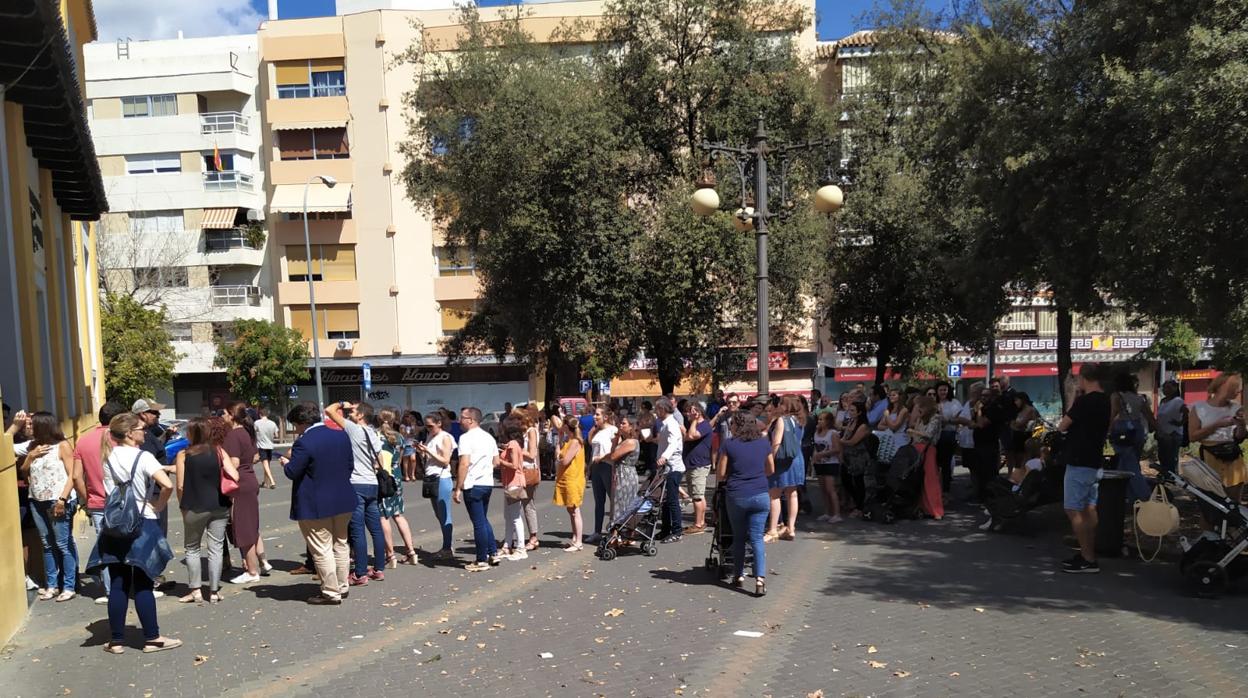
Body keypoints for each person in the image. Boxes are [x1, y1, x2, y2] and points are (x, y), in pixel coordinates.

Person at [90, 413, 181, 654]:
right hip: (142, 521)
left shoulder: (108, 456)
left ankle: (116, 641)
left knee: (118, 583)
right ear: (130, 433)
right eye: (141, 428)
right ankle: (152, 638)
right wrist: (158, 506)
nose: (145, 432)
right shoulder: (144, 457)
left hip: (115, 524)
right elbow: (167, 485)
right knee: (143, 583)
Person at [282, 402, 356, 604]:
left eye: (295, 425)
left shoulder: (304, 442)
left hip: (315, 502)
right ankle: (342, 585)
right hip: (343, 498)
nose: (296, 429)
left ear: (302, 422)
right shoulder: (341, 435)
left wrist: (286, 463)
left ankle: (331, 592)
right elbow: (350, 466)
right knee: (341, 544)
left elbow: (293, 472)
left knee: (322, 548)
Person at [326, 401, 387, 584]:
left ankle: (360, 573)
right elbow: (379, 458)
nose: (349, 412)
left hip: (356, 484)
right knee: (376, 529)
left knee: (357, 530)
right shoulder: (373, 433)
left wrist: (342, 404)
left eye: (353, 411)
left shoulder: (354, 429)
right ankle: (379, 568)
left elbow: (329, 411)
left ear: (361, 415)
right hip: (372, 483)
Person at [174, 417, 234, 604]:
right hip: (219, 505)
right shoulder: (219, 451)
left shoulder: (184, 455)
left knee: (192, 548)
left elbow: (181, 485)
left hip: (194, 506)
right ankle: (214, 592)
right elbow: (234, 474)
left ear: (191, 433)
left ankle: (196, 591)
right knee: (216, 548)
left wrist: (182, 506)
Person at [1058, 364, 1111, 574]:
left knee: (1073, 508)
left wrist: (1075, 396)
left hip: (1079, 459)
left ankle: (1087, 557)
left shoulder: (1084, 401)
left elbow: (1063, 425)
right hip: (1094, 459)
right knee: (1089, 508)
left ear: (1083, 378)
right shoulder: (1105, 400)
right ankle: (1088, 552)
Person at [716, 410, 775, 597]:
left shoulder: (729, 444)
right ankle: (760, 580)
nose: (731, 427)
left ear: (738, 425)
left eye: (733, 424)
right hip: (760, 494)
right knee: (757, 538)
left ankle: (738, 575)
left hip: (737, 495)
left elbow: (720, 474)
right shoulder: (764, 443)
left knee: (739, 537)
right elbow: (771, 469)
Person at [73, 401, 126, 604]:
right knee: (127, 543)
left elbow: (77, 476)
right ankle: (127, 585)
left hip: (97, 503)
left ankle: (111, 591)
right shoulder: (122, 439)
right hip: (122, 501)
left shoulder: (83, 441)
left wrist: (87, 499)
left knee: (105, 547)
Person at [22, 411, 79, 602]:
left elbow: (72, 475)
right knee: (46, 544)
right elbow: (24, 472)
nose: (28, 428)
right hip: (36, 500)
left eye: (32, 424)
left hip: (57, 500)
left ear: (43, 426)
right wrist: (30, 457)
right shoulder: (33, 446)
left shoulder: (62, 446)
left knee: (62, 543)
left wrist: (62, 499)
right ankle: (52, 585)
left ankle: (69, 585)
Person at [223, 402, 269, 584]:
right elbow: (256, 456)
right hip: (250, 479)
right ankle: (261, 563)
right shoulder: (247, 432)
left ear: (232, 415)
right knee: (251, 525)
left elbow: (233, 463)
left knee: (243, 528)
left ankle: (251, 571)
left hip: (240, 484)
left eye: (224, 414)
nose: (222, 417)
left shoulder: (233, 435)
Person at [1188, 373, 1245, 509]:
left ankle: (1232, 523)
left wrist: (1241, 425)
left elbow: (1239, 437)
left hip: (1232, 456)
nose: (1239, 391)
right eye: (1236, 387)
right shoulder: (1199, 408)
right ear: (1223, 386)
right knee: (1210, 504)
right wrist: (1218, 424)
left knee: (1233, 505)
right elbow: (1193, 436)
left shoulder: (1237, 408)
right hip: (1209, 457)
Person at [455, 407, 499, 570]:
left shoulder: (466, 438)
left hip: (472, 483)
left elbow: (464, 463)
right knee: (483, 519)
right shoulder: (489, 437)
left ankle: (481, 560)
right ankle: (493, 552)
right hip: (487, 482)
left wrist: (458, 487)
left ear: (471, 420)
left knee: (478, 522)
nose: (459, 420)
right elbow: (496, 461)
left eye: (462, 417)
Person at [377, 408, 418, 567]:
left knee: (383, 517)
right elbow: (400, 459)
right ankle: (411, 551)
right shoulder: (398, 437)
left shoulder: (376, 436)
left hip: (382, 477)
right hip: (396, 477)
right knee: (398, 514)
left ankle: (390, 555)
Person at [1109, 372, 1156, 502]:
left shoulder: (1116, 396)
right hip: (1138, 430)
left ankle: (1144, 493)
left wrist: (1107, 431)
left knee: (1129, 463)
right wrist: (1158, 429)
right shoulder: (1139, 398)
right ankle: (1127, 494)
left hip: (1122, 429)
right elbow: (1149, 415)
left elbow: (1113, 414)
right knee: (1129, 461)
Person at [415, 412, 456, 561]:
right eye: (426, 426)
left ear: (439, 423)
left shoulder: (445, 437)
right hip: (431, 477)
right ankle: (447, 545)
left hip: (442, 478)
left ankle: (447, 548)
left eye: (430, 426)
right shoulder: (431, 436)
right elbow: (430, 458)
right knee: (438, 514)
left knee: (444, 514)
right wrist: (422, 451)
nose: (428, 429)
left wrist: (428, 451)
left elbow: (445, 460)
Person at [765, 396, 805, 542]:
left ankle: (772, 529)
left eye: (780, 404)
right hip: (796, 458)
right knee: (792, 494)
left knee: (774, 494)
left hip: (782, 460)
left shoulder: (782, 420)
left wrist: (770, 461)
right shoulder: (800, 420)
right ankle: (791, 528)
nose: (778, 406)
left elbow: (776, 442)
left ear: (786, 406)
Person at [654, 398, 687, 544]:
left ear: (662, 409)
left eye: (657, 409)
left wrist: (664, 457)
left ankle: (677, 531)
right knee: (666, 501)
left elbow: (673, 443)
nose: (656, 412)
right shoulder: (665, 424)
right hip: (666, 468)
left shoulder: (672, 424)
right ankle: (666, 529)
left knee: (672, 500)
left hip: (673, 467)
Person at [553, 416, 587, 552]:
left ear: (567, 426)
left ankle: (579, 542)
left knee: (575, 509)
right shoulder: (568, 441)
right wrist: (559, 440)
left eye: (562, 424)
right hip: (565, 478)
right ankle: (575, 538)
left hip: (573, 479)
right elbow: (558, 455)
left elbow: (565, 460)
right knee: (570, 509)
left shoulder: (575, 442)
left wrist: (559, 459)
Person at [496, 421, 528, 560]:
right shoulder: (512, 444)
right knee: (508, 516)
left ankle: (521, 548)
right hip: (509, 483)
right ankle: (507, 545)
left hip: (515, 483)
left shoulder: (513, 444)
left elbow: (514, 465)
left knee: (515, 517)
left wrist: (500, 461)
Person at [908, 396, 944, 520]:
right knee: (918, 478)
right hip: (917, 447)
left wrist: (914, 432)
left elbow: (929, 434)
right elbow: (915, 435)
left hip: (928, 449)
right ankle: (922, 507)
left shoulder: (936, 418)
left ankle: (936, 510)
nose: (918, 410)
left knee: (930, 478)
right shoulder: (920, 418)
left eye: (920, 407)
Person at [586, 407, 618, 544]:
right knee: (599, 501)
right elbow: (593, 449)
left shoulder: (613, 430)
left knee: (613, 500)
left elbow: (616, 450)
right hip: (596, 467)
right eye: (595, 414)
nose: (594, 417)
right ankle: (597, 532)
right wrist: (589, 467)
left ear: (605, 417)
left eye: (597, 415)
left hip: (607, 465)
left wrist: (605, 458)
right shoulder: (597, 431)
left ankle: (616, 531)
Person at [682, 401, 714, 535]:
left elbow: (691, 436)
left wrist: (694, 420)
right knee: (697, 494)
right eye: (688, 411)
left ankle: (698, 524)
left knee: (697, 496)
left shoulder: (704, 425)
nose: (688, 414)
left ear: (699, 412)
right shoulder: (693, 425)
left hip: (699, 465)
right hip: (692, 464)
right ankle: (701, 521)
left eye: (691, 411)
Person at [605, 416, 642, 525]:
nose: (620, 426)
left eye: (623, 423)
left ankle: (622, 530)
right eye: (620, 423)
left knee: (623, 504)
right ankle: (617, 530)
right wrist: (616, 439)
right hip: (620, 473)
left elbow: (613, 456)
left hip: (625, 475)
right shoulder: (624, 441)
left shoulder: (631, 442)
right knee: (617, 503)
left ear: (631, 427)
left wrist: (603, 457)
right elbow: (612, 453)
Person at [810, 411, 843, 523]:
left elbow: (837, 449)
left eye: (822, 419)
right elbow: (816, 447)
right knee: (823, 489)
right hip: (820, 463)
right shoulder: (817, 433)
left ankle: (837, 513)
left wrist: (822, 454)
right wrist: (815, 457)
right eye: (819, 419)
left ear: (828, 421)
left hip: (831, 463)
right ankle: (827, 512)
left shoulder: (833, 433)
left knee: (830, 489)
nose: (819, 421)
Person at [518, 405, 542, 551]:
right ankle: (520, 536)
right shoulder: (523, 432)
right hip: (520, 469)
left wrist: (517, 450)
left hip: (528, 470)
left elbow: (532, 454)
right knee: (516, 505)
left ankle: (533, 537)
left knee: (528, 504)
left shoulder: (531, 431)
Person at [934, 382, 961, 495]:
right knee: (934, 463)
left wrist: (943, 416)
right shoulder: (933, 402)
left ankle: (946, 490)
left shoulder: (954, 403)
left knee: (946, 464)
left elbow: (956, 419)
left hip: (948, 435)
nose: (943, 392)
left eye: (945, 390)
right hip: (933, 435)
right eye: (940, 390)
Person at [1154, 379, 1186, 474]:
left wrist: (1180, 423)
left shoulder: (1178, 401)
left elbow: (1186, 413)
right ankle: (1164, 474)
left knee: (1171, 458)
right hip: (1162, 433)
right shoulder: (1163, 401)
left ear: (1175, 388)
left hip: (1173, 434)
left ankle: (1172, 476)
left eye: (1168, 387)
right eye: (1164, 387)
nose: (1165, 390)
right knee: (1162, 457)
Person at [1007, 392, 1042, 471]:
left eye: (1017, 400)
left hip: (1026, 437)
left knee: (1024, 460)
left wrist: (1014, 424)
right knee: (1018, 461)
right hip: (1018, 437)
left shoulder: (1030, 410)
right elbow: (1012, 424)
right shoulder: (1019, 411)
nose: (1015, 402)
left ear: (1022, 400)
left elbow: (1019, 424)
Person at [254, 408, 279, 489]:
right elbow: (276, 435)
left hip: (261, 445)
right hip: (270, 445)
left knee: (265, 464)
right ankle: (265, 482)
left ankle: (272, 481)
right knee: (267, 464)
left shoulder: (257, 423)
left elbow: (254, 432)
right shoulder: (273, 423)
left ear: (260, 414)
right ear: (267, 414)